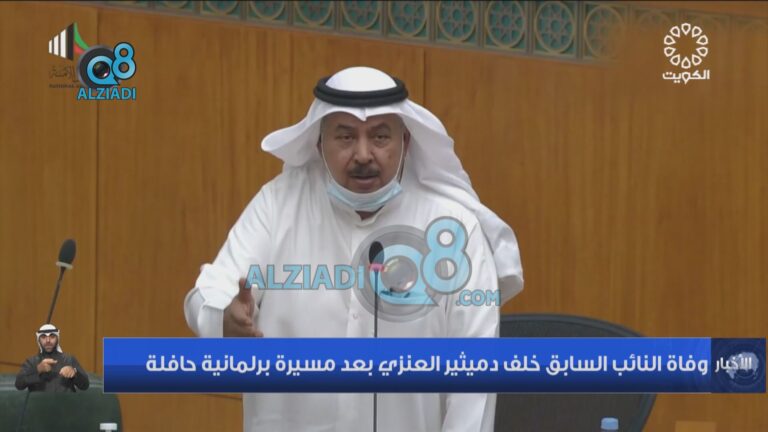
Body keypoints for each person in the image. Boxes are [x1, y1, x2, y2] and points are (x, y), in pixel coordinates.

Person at [184, 66, 524, 431]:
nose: (363, 155)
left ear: (406, 142)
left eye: (380, 137)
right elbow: (209, 291)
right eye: (345, 137)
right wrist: (222, 317)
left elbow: (473, 381)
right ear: (319, 144)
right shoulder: (279, 205)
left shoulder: (454, 230)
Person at [15, 324, 90, 392]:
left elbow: (85, 386)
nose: (48, 341)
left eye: (52, 336)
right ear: (38, 339)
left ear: (57, 338)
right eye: (43, 337)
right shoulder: (32, 361)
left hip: (65, 402)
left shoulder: (69, 359)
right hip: (39, 402)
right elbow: (19, 385)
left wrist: (74, 373)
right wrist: (37, 369)